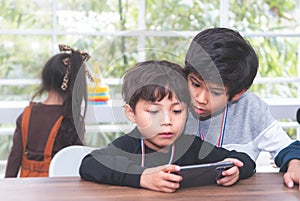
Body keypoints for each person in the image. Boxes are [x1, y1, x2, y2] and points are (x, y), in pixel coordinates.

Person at [79, 60, 255, 193]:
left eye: (177, 111)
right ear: (131, 114)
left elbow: (244, 159)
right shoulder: (128, 145)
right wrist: (142, 177)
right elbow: (90, 164)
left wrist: (236, 169)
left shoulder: (191, 146)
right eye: (154, 112)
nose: (166, 121)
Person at [183, 27, 300, 190]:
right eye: (195, 84)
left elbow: (288, 148)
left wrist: (295, 164)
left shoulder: (250, 108)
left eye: (215, 92)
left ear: (237, 94)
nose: (200, 99)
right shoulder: (170, 101)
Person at [5, 44, 91, 177]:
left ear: (45, 79)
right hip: (59, 192)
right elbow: (76, 162)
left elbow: (14, 158)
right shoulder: (71, 120)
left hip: (27, 191)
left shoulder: (27, 114)